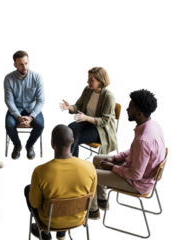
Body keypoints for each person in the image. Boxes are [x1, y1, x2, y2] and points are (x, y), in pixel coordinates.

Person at [88, 88, 166, 220]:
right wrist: (115, 158)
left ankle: (94, 211)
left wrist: (112, 167)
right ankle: (102, 200)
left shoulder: (144, 140)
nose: (126, 109)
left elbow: (135, 174)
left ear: (139, 114)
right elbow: (132, 149)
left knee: (90, 175)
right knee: (96, 159)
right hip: (138, 169)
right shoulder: (154, 124)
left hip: (137, 183)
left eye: (129, 107)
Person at [26, 124, 97, 240]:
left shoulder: (39, 171)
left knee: (29, 189)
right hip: (78, 218)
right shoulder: (89, 166)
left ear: (52, 143)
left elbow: (34, 204)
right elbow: (91, 196)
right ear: (73, 141)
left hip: (49, 222)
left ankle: (47, 234)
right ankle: (61, 234)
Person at [57, 65, 119, 157]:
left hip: (101, 128)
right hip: (86, 121)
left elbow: (105, 121)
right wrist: (68, 107)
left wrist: (85, 117)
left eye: (91, 80)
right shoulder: (86, 89)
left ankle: (71, 163)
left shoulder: (109, 95)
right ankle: (72, 162)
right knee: (70, 129)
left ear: (100, 81)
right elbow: (79, 106)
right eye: (87, 78)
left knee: (72, 139)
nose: (87, 81)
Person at [3, 50, 47, 161]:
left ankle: (30, 146)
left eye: (26, 63)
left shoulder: (39, 76)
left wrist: (31, 117)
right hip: (15, 109)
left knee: (40, 124)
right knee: (9, 124)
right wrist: (19, 117)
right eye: (21, 64)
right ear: (14, 65)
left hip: (33, 109)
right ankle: (17, 146)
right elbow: (8, 100)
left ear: (30, 62)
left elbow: (41, 101)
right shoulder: (8, 77)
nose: (24, 67)